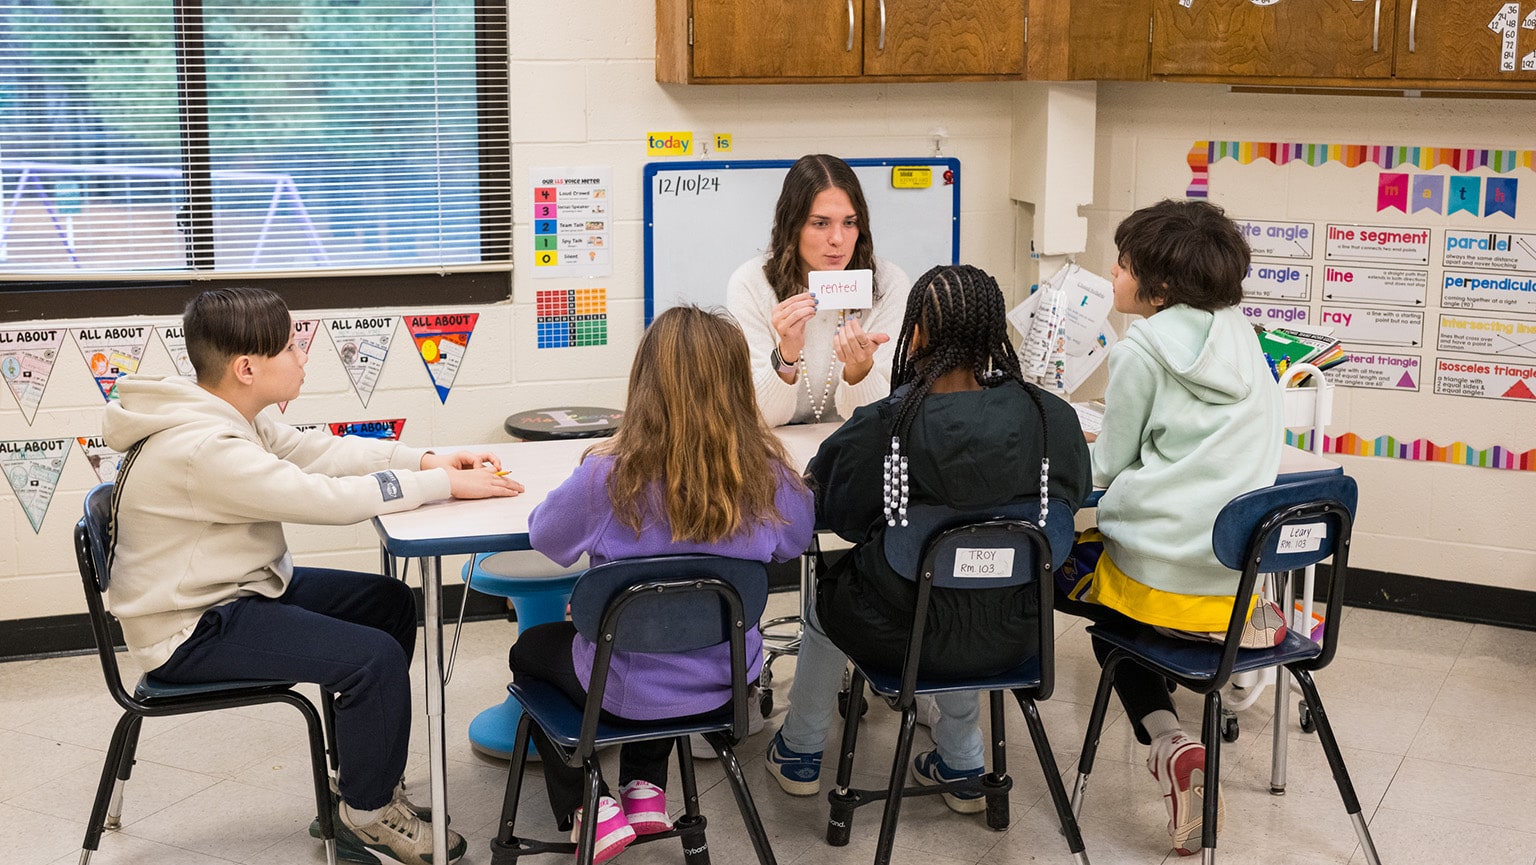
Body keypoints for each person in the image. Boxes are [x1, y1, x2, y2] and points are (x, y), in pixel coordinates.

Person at [101, 286, 524, 865]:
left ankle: (360, 785)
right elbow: (324, 497)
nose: (304, 356)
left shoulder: (221, 411)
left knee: (389, 602)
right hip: (190, 626)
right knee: (370, 657)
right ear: (247, 368)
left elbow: (316, 454)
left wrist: (425, 461)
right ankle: (369, 816)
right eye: (291, 348)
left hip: (237, 587)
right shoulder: (203, 447)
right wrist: (445, 486)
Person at [765, 264, 1092, 815]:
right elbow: (1076, 495)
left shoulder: (887, 423)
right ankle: (963, 762)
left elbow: (831, 512)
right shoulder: (1049, 416)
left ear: (914, 334)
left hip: (902, 635)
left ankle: (800, 752)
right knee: (964, 579)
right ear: (993, 334)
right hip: (1017, 631)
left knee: (837, 597)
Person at [509, 306, 814, 863]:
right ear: (737, 385)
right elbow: (798, 541)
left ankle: (590, 805)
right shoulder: (766, 474)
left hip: (627, 685)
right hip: (727, 683)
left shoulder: (608, 476)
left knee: (534, 650)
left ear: (644, 383)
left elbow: (546, 539)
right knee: (661, 639)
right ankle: (645, 791)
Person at [1053, 199, 1284, 857]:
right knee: (1146, 617)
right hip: (1235, 576)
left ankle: (1170, 740)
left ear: (1156, 287)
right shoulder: (1244, 337)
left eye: (1122, 264)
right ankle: (1242, 623)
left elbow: (1107, 464)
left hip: (1160, 567)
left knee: (1094, 617)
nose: (1112, 272)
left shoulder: (1141, 350)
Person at [727, 153, 912, 427]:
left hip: (856, 450)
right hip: (777, 453)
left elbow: (883, 418)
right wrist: (786, 354)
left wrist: (860, 369)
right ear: (792, 226)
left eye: (849, 223)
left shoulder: (889, 283)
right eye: (820, 223)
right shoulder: (751, 284)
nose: (838, 239)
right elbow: (760, 416)